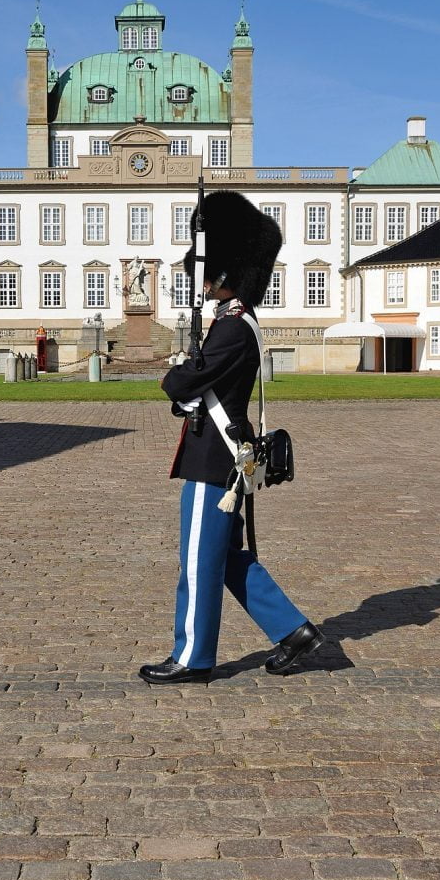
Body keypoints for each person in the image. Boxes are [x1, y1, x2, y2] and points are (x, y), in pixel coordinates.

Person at [139, 191, 323, 685]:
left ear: (222, 275)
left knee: (199, 563)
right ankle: (294, 631)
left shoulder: (233, 328)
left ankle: (192, 658)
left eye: (205, 271)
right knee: (226, 558)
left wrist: (178, 377)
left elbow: (182, 382)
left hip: (213, 458)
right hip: (224, 451)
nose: (200, 279)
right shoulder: (235, 322)